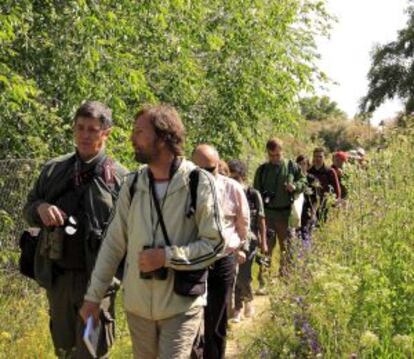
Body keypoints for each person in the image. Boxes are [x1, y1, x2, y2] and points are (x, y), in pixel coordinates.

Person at [80, 105, 226, 359]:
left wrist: (167, 257)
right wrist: (93, 297)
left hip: (181, 307)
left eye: (139, 132)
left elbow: (215, 244)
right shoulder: (132, 184)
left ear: (163, 137)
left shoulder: (198, 182)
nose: (132, 138)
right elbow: (113, 244)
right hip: (137, 309)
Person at [23, 101, 128, 358]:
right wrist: (40, 209)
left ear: (106, 133)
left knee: (91, 350)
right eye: (80, 128)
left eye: (92, 129)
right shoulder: (54, 170)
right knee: (64, 350)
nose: (84, 135)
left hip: (97, 282)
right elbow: (29, 209)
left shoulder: (120, 179)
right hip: (58, 280)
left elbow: (130, 234)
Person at [192, 144, 250, 359]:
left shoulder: (231, 188)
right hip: (193, 259)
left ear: (218, 165)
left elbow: (243, 221)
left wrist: (242, 247)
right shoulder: (183, 190)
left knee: (217, 315)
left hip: (223, 258)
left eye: (211, 169)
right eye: (200, 171)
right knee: (192, 316)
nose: (206, 175)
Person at [253, 138, 306, 285]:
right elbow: (255, 194)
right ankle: (264, 280)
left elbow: (304, 181)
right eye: (271, 155)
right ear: (267, 154)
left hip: (285, 215)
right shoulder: (262, 170)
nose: (275, 158)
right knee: (266, 249)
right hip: (268, 216)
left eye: (277, 155)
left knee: (287, 249)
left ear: (282, 151)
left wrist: (294, 186)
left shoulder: (291, 166)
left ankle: (286, 281)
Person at [228, 159, 267, 323]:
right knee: (234, 274)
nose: (234, 181)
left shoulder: (253, 194)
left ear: (243, 176)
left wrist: (263, 241)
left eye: (236, 177)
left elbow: (261, 219)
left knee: (244, 274)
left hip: (250, 239)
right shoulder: (227, 192)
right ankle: (238, 307)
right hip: (232, 238)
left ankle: (248, 300)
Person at [308, 147, 341, 223]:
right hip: (311, 205)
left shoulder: (330, 171)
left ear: (324, 158)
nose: (318, 158)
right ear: (313, 157)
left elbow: (337, 189)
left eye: (320, 156)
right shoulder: (309, 171)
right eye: (316, 156)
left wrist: (335, 202)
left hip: (326, 205)